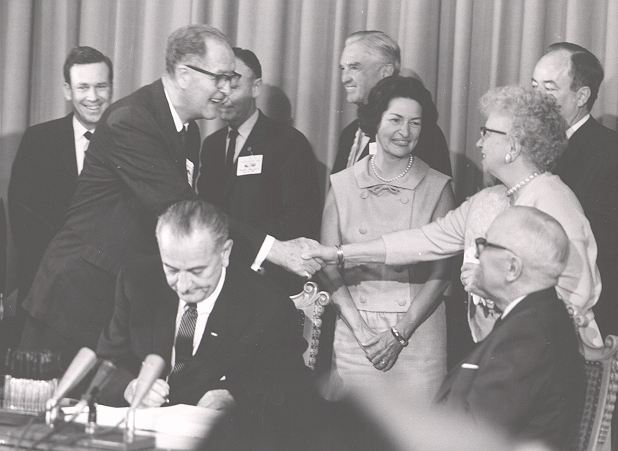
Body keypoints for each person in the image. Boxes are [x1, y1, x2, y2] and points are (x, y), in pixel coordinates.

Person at [19, 24, 323, 370]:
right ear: (183, 74)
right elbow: (184, 210)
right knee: (43, 417)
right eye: (219, 78)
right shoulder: (130, 121)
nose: (225, 90)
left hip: (117, 303)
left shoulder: (188, 130)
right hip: (73, 304)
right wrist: (276, 250)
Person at [304, 85, 603, 348]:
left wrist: (491, 285)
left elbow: (574, 294)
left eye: (487, 133)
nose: (479, 143)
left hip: (549, 356)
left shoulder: (553, 198)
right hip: (508, 350)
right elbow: (422, 240)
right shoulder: (490, 199)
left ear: (512, 145)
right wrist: (339, 253)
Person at [97, 200, 317, 448]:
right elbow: (106, 362)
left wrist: (237, 396)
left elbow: (294, 388)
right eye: (171, 269)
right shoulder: (138, 280)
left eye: (197, 271)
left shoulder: (266, 305)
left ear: (224, 254)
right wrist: (129, 387)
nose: (183, 285)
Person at [320, 76, 454, 403]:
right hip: (356, 332)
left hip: (418, 334)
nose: (404, 132)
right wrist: (363, 333)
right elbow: (328, 267)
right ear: (375, 121)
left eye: (415, 123)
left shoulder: (438, 186)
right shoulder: (341, 185)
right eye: (395, 120)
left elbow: (442, 273)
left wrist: (400, 333)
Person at [435, 206, 586, 449]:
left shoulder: (528, 334)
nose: (477, 255)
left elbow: (472, 437)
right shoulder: (536, 317)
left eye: (484, 245)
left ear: (513, 268)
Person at [5, 46, 113, 351]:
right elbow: (24, 220)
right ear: (67, 90)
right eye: (83, 87)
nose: (93, 97)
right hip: (48, 292)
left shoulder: (127, 143)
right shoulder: (39, 141)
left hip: (107, 298)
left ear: (112, 88)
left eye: (101, 86)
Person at [198, 48, 321, 295]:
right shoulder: (211, 146)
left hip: (267, 280)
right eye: (219, 84)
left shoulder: (288, 143)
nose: (223, 94)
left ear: (255, 88)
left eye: (233, 84)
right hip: (217, 278)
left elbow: (299, 221)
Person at [532, 42, 618, 340]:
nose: (535, 98)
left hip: (587, 318)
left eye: (549, 88)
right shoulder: (527, 144)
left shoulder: (611, 152)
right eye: (533, 85)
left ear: (581, 96)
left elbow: (606, 243)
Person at [333, 30, 451, 177]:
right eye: (343, 68)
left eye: (354, 68)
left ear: (385, 72)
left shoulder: (423, 134)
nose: (345, 79)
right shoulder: (349, 134)